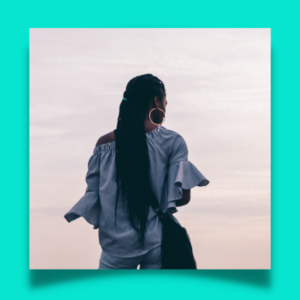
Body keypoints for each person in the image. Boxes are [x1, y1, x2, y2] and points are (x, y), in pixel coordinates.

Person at [64, 74, 209, 269]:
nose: (166, 105)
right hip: (155, 242)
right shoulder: (172, 142)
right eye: (166, 100)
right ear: (156, 101)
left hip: (115, 247)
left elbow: (95, 197)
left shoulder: (103, 145)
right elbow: (182, 198)